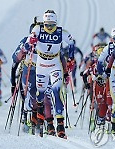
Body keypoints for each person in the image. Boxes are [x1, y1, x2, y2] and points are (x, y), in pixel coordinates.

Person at [26, 10, 75, 138]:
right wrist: (31, 42)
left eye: (52, 25)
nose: (49, 28)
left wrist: (71, 58)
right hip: (41, 65)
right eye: (47, 25)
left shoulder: (61, 32)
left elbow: (71, 43)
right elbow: (28, 42)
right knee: (40, 94)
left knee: (57, 92)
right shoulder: (38, 29)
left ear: (56, 23)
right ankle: (40, 119)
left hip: (55, 64)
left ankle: (60, 125)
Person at [11, 18, 55, 135]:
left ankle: (47, 122)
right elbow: (15, 58)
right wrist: (25, 48)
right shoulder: (26, 40)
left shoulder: (49, 40)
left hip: (45, 70)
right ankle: (28, 117)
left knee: (46, 96)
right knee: (31, 95)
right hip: (29, 70)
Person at [97, 26, 115, 133]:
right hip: (113, 75)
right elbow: (100, 61)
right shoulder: (108, 47)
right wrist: (101, 74)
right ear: (111, 38)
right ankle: (113, 126)